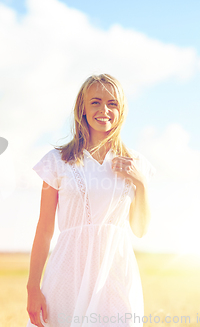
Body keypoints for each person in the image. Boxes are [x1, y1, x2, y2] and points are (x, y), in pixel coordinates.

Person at [26, 74, 157, 327]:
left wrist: (140, 182)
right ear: (82, 109)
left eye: (112, 103)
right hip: (67, 275)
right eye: (95, 102)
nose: (104, 110)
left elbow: (140, 230)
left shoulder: (137, 163)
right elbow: (44, 230)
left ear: (121, 110)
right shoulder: (56, 161)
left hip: (116, 275)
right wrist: (33, 287)